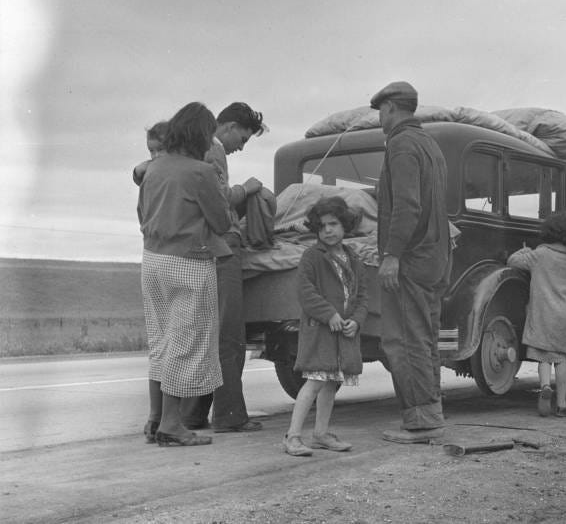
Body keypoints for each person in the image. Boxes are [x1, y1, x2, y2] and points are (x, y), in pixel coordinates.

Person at [138, 102, 231, 446]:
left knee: (161, 340)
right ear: (200, 135)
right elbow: (221, 221)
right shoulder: (200, 172)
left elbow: (141, 215)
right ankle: (172, 424)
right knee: (186, 340)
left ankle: (154, 419)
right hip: (189, 262)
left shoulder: (153, 168)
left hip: (152, 260)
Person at [180, 102, 268, 433]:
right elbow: (218, 199)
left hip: (196, 248)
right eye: (242, 138)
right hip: (222, 246)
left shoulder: (191, 151)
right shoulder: (214, 153)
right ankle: (230, 415)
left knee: (206, 332)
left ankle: (193, 413)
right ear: (228, 127)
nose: (241, 147)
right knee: (230, 333)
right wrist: (246, 190)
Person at [371, 81, 451, 444]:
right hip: (435, 257)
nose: (380, 119)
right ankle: (430, 412)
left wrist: (391, 255)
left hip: (412, 260)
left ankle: (420, 422)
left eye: (380, 112)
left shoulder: (401, 144)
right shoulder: (429, 144)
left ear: (390, 107)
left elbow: (407, 206)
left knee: (403, 339)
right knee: (425, 337)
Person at [283, 197, 368, 456]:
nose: (328, 230)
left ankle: (320, 434)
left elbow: (363, 296)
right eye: (322, 226)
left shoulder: (353, 258)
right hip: (320, 331)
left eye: (333, 224)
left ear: (345, 226)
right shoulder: (312, 256)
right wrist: (329, 314)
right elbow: (305, 292)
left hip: (343, 333)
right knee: (314, 382)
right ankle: (293, 436)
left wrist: (356, 320)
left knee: (331, 383)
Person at [507, 213, 566, 418]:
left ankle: (546, 386)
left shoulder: (539, 255)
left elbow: (512, 261)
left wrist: (524, 250)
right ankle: (563, 405)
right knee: (562, 360)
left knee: (543, 359)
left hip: (542, 315)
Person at [132, 121, 168, 186]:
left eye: (161, 149)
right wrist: (137, 173)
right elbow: (141, 182)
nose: (156, 155)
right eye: (151, 151)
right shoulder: (150, 165)